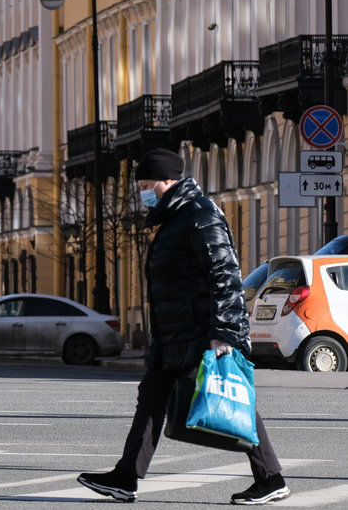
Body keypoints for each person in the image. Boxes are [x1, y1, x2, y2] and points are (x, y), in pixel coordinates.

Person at [77, 148, 289, 506]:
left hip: (198, 330)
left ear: (168, 180)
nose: (145, 193)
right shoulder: (176, 217)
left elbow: (225, 274)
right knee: (152, 397)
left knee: (229, 397)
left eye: (148, 185)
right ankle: (126, 477)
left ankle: (271, 478)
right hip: (176, 332)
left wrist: (222, 332)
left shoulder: (199, 215)